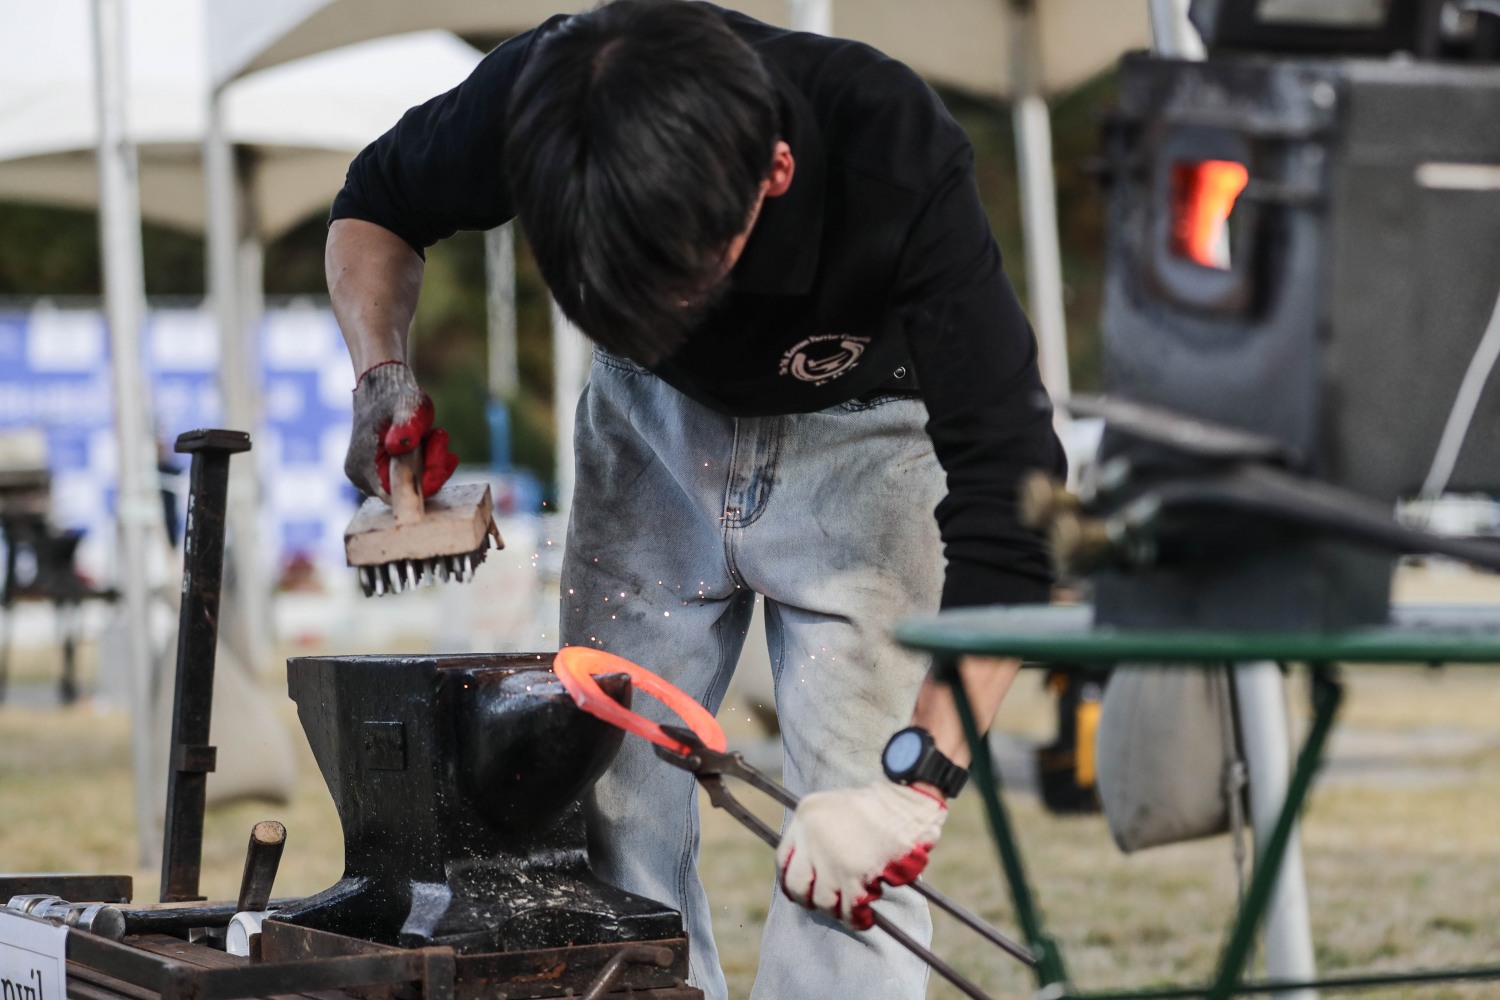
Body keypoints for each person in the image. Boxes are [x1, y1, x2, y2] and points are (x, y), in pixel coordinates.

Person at [329, 2, 1063, 997]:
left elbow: (1014, 498)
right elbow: (374, 204)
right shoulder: (548, 94)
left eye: (670, 284)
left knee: (852, 850)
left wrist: (915, 790)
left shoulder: (889, 147)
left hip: (866, 439)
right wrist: (381, 374)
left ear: (775, 173)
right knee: (608, 816)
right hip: (648, 425)